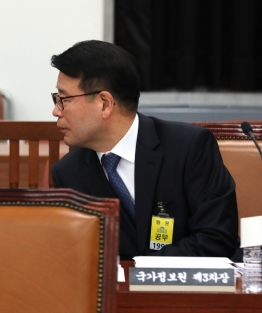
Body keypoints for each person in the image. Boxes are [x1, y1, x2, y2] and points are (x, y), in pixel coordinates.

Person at [50, 40, 239, 259]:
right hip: (117, 292)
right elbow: (76, 255)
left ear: (104, 104)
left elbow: (217, 238)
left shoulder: (188, 148)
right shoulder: (68, 173)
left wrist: (144, 272)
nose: (56, 111)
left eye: (63, 99)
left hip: (189, 289)